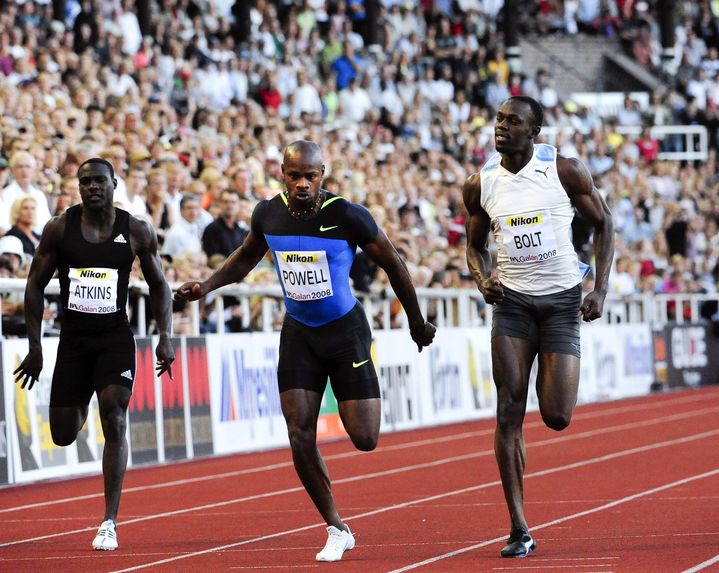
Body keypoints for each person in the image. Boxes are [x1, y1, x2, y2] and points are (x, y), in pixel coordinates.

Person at [174, 140, 436, 562]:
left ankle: (357, 407)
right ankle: (336, 526)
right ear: (282, 173)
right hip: (299, 333)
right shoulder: (268, 213)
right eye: (294, 175)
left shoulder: (346, 215)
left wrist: (415, 321)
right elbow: (244, 259)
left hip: (346, 331)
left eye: (309, 176)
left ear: (322, 176)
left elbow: (394, 263)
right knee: (299, 432)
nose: (301, 184)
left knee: (365, 438)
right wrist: (205, 287)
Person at [462, 97, 614, 558]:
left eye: (513, 122)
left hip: (563, 303)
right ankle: (518, 527)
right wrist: (481, 278)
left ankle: (521, 521)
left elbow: (604, 223)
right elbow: (473, 246)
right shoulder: (480, 183)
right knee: (509, 410)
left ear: (535, 132)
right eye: (499, 120)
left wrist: (599, 289)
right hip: (512, 306)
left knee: (557, 415)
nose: (502, 128)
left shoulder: (565, 171)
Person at [13, 158, 175, 551]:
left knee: (115, 416)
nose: (91, 187)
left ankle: (109, 521)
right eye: (85, 182)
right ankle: (83, 394)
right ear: (78, 186)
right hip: (73, 342)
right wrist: (35, 348)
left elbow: (159, 285)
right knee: (64, 434)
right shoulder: (60, 228)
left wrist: (164, 336)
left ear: (114, 183)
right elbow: (33, 286)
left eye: (99, 181)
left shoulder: (136, 229)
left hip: (115, 338)